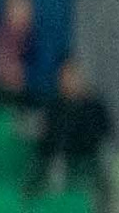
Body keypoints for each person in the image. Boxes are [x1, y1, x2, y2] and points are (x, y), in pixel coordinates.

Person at [33, 56, 114, 188]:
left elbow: (104, 134)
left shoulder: (94, 106)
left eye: (73, 77)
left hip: (88, 159)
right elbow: (47, 139)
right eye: (65, 77)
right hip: (59, 161)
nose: (70, 81)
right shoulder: (54, 107)